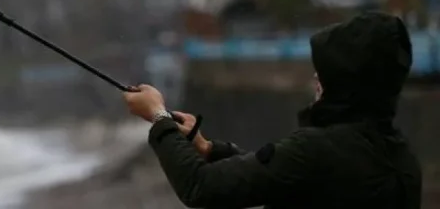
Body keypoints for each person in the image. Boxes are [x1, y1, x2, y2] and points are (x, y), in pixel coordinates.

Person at [123, 12, 422, 208]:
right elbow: (287, 177)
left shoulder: (315, 150)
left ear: (348, 82)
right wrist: (210, 149)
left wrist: (158, 116)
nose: (316, 78)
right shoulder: (401, 159)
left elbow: (200, 186)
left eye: (326, 72)